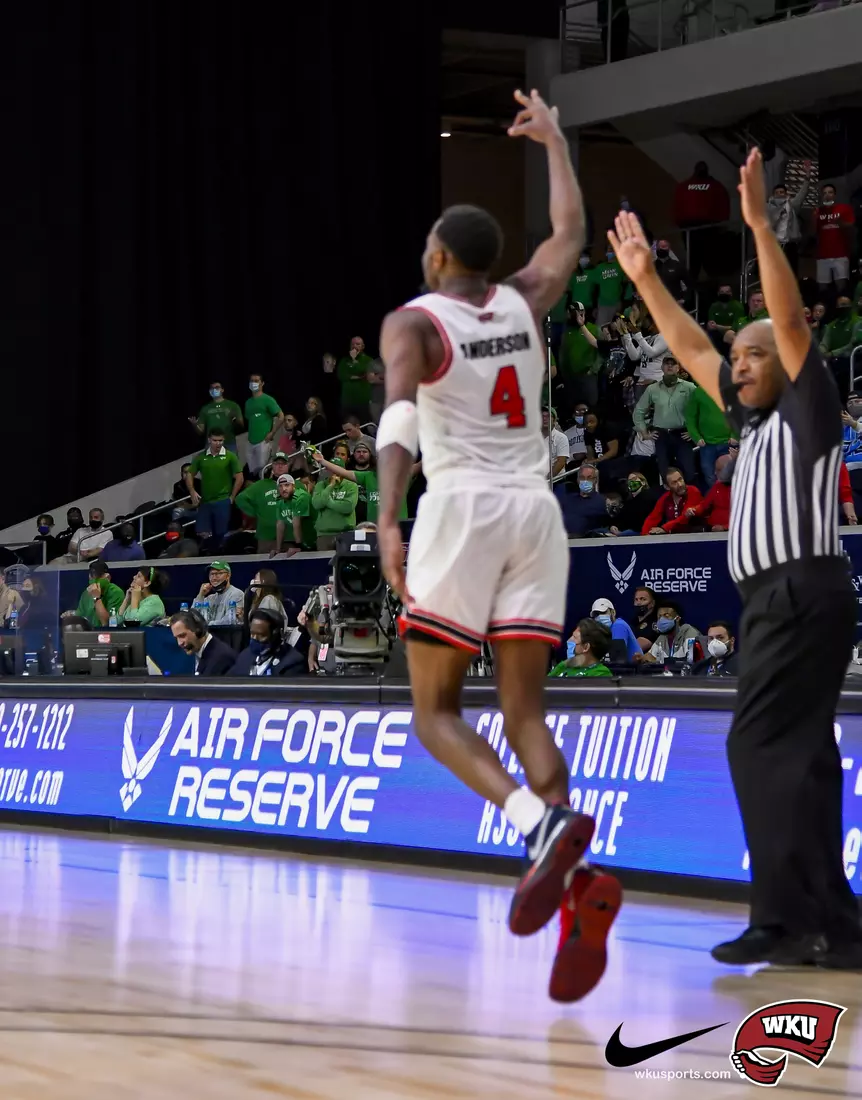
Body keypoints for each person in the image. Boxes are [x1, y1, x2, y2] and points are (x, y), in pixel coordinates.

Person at [376, 89, 621, 1006]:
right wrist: (557, 138)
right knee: (525, 713)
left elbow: (400, 413)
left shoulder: (414, 321)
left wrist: (389, 515)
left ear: (442, 256)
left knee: (434, 715)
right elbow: (568, 231)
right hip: (537, 510)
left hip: (464, 510)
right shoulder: (528, 296)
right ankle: (575, 878)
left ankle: (531, 822)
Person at [610, 149, 862, 967]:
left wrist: (757, 225)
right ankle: (837, 923)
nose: (741, 364)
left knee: (754, 747)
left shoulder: (810, 408)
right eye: (738, 358)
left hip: (799, 589)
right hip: (779, 600)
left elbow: (790, 326)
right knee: (808, 759)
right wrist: (646, 278)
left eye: (753, 356)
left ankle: (784, 920)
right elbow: (686, 345)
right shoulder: (750, 424)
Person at [633, 356, 696, 483]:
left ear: (678, 368)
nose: (670, 366)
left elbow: (701, 410)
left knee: (689, 472)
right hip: (661, 435)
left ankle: (691, 500)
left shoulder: (690, 387)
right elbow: (638, 412)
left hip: (682, 434)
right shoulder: (652, 388)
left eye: (673, 364)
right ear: (661, 367)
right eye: (666, 364)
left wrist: (694, 432)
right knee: (664, 473)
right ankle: (670, 502)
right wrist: (645, 433)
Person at [185, 429, 243, 549]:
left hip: (222, 500)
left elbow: (240, 477)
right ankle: (208, 554)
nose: (218, 443)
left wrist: (232, 497)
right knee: (202, 533)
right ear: (209, 440)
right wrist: (192, 491)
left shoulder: (230, 456)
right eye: (215, 440)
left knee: (221, 534)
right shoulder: (201, 457)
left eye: (220, 440)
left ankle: (218, 556)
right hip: (205, 502)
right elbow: (190, 474)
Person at [235, 453, 290, 554]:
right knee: (266, 567)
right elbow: (240, 499)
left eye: (283, 463)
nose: (280, 466)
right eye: (277, 463)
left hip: (289, 537)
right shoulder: (261, 485)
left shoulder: (296, 485)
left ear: (288, 466)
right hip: (266, 537)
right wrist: (255, 513)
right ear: (272, 466)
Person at [230, 608, 306, 676]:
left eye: (261, 635)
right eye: (252, 634)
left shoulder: (292, 662)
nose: (255, 639)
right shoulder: (245, 656)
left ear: (277, 635)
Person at [685, 381, 733, 487]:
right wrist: (696, 437)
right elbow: (690, 417)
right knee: (709, 475)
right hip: (706, 444)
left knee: (730, 475)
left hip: (728, 443)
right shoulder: (698, 392)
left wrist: (735, 435)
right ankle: (715, 498)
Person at [814, 183, 855, 297]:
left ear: (835, 195)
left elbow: (851, 226)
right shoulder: (818, 211)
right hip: (822, 255)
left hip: (840, 254)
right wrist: (814, 218)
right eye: (825, 193)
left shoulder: (844, 208)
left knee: (841, 286)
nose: (827, 195)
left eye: (830, 192)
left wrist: (839, 222)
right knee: (822, 287)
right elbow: (812, 232)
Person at [170, 610, 237, 676]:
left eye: (182, 636)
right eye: (176, 638)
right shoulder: (200, 653)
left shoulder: (222, 658)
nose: (179, 643)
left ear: (198, 630)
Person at [312, 457, 359, 551]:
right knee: (324, 565)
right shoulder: (320, 485)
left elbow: (348, 507)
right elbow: (316, 504)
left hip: (346, 534)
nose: (334, 472)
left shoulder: (351, 485)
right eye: (331, 469)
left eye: (336, 468)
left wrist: (328, 502)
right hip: (324, 535)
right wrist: (330, 486)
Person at [640, 466, 703, 534]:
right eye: (674, 482)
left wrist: (665, 528)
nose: (680, 484)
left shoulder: (693, 491)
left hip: (694, 535)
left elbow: (685, 518)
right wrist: (645, 535)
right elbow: (652, 518)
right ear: (667, 487)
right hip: (674, 537)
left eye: (680, 479)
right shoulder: (665, 498)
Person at [245, 374, 283, 476]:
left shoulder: (268, 399)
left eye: (256, 381)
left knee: (263, 471)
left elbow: (281, 416)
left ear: (262, 383)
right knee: (252, 472)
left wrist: (272, 433)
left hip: (263, 441)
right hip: (250, 441)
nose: (253, 383)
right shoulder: (248, 402)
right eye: (251, 380)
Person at [190, 382, 244, 452]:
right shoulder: (205, 409)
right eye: (212, 388)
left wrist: (235, 421)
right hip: (211, 445)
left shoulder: (233, 405)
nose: (214, 390)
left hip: (229, 443)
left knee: (231, 462)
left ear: (222, 390)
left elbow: (241, 425)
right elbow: (201, 431)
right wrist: (194, 425)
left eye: (217, 387)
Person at [273, 474, 316, 554]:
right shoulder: (280, 500)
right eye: (280, 486)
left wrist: (298, 547)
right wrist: (278, 549)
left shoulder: (301, 497)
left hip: (312, 539)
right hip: (301, 540)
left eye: (287, 485)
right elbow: (280, 524)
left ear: (293, 486)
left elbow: (296, 522)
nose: (283, 489)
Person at [195, 562, 245, 626]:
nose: (214, 578)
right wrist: (200, 595)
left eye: (218, 573)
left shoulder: (237, 594)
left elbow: (230, 620)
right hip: (210, 634)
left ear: (228, 575)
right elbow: (193, 618)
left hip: (227, 634)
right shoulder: (210, 598)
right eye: (212, 574)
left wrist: (207, 625)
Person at [338, 336, 374, 419]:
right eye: (352, 344)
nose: (354, 346)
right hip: (347, 402)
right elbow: (341, 375)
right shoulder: (344, 361)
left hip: (363, 402)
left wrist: (354, 361)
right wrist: (360, 377)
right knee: (348, 427)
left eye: (357, 344)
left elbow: (367, 375)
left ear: (362, 346)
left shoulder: (368, 360)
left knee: (365, 426)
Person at [630, 585, 658, 652]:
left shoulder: (655, 621)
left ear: (652, 603)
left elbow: (637, 648)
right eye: (636, 599)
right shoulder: (633, 621)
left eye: (643, 599)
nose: (638, 603)